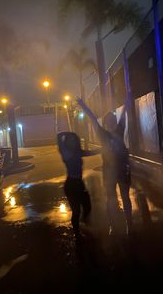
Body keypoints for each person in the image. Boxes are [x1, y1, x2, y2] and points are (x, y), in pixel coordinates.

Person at [76, 97, 133, 236]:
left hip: (122, 170)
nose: (112, 122)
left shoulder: (120, 130)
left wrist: (127, 101)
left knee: (125, 197)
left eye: (113, 120)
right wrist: (84, 106)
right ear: (106, 123)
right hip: (109, 171)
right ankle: (113, 225)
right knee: (111, 199)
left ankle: (129, 225)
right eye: (109, 121)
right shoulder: (102, 133)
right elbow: (93, 119)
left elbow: (124, 113)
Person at [57, 131, 100, 238]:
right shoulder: (65, 152)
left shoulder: (78, 152)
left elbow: (90, 153)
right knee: (76, 210)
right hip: (71, 185)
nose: (72, 141)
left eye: (74, 140)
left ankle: (84, 223)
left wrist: (101, 150)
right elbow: (58, 137)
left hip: (79, 184)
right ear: (67, 142)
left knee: (87, 206)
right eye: (70, 140)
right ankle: (77, 233)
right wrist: (68, 133)